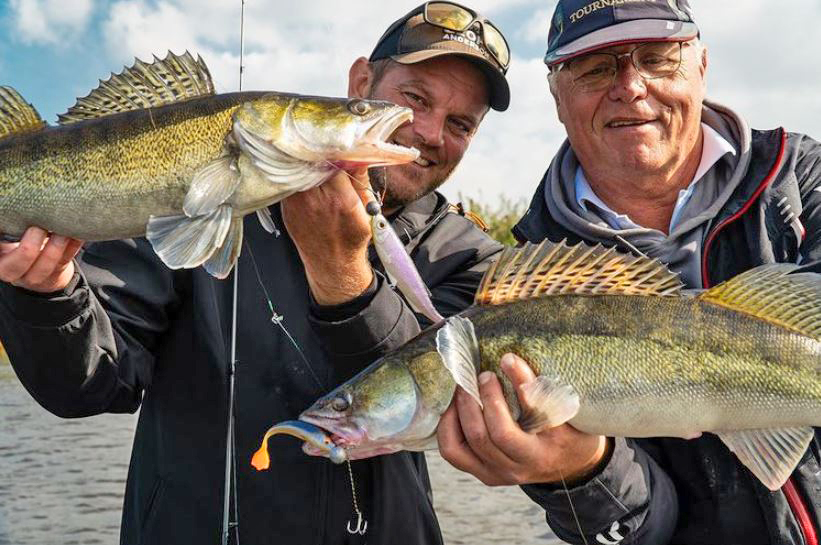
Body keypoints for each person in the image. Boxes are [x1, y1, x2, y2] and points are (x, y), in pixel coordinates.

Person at [0, 3, 511, 544]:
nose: (428, 132)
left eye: (461, 124)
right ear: (361, 82)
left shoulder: (471, 260)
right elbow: (87, 386)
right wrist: (48, 295)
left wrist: (343, 276)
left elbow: (443, 403)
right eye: (415, 98)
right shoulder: (189, 206)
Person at [436, 1, 821, 544]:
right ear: (556, 95)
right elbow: (644, 530)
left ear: (701, 65)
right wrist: (581, 471)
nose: (631, 87)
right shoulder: (529, 290)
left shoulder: (802, 178)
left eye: (657, 58)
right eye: (595, 68)